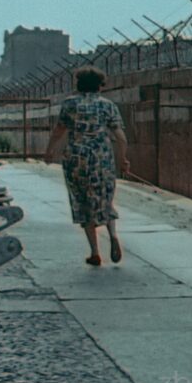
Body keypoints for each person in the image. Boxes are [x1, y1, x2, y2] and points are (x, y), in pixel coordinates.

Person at [44, 66, 129, 266]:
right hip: (102, 157)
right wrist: (123, 159)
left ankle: (94, 252)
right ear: (100, 86)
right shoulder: (108, 106)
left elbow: (59, 130)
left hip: (77, 158)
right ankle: (113, 235)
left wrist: (49, 151)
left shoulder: (70, 104)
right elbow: (120, 137)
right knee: (105, 198)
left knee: (83, 201)